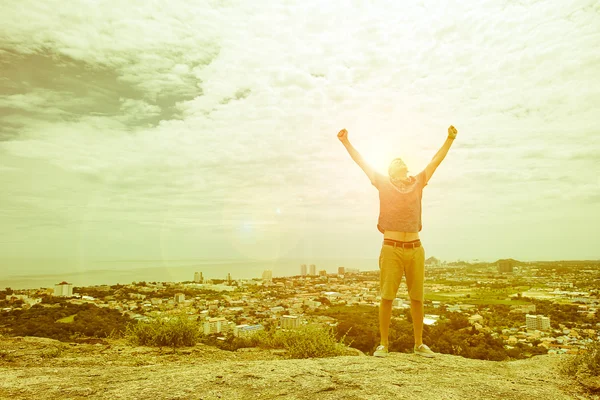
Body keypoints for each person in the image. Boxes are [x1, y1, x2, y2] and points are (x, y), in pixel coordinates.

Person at [337, 125, 458, 358]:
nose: (400, 160)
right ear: (391, 170)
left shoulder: (418, 181)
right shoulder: (383, 182)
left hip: (415, 248)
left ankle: (419, 344)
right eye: (395, 160)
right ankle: (383, 344)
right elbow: (362, 162)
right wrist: (346, 142)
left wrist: (449, 139)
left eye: (402, 160)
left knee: (417, 299)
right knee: (387, 297)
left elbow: (435, 161)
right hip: (391, 247)